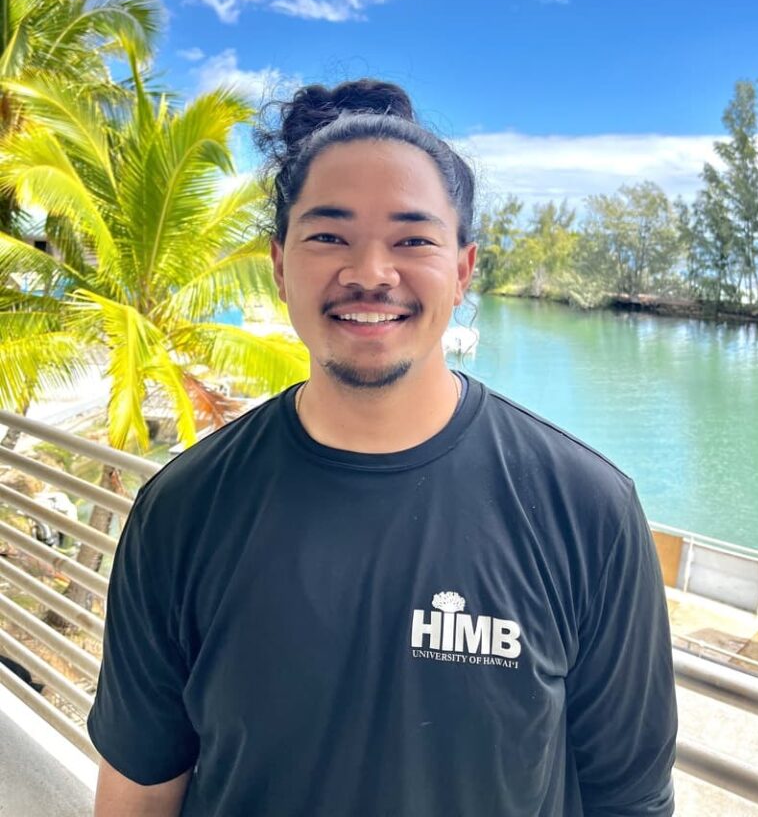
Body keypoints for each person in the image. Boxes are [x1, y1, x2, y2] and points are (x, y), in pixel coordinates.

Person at [88, 79, 677, 816]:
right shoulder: (181, 510)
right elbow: (140, 792)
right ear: (278, 265)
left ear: (463, 270)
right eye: (329, 235)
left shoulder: (586, 510)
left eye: (413, 239)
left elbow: (631, 800)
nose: (370, 272)